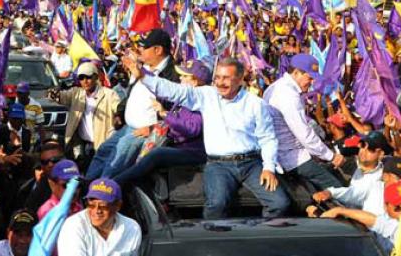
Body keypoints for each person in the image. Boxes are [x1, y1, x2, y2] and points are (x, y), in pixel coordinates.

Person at [125, 56, 290, 219]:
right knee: (216, 205)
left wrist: (268, 168)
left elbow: (268, 138)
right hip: (219, 165)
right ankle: (214, 242)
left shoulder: (256, 104)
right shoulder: (206, 96)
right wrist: (144, 76)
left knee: (279, 203)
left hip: (251, 164)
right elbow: (174, 91)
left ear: (240, 79)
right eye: (217, 77)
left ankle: (260, 238)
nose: (220, 82)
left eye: (226, 78)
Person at [88, 29, 178, 179]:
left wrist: (154, 128)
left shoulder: (173, 75)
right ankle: (85, 186)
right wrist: (120, 113)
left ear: (158, 50)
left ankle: (102, 193)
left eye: (145, 47)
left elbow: (175, 111)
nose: (140, 50)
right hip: (127, 127)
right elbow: (132, 94)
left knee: (116, 161)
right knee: (104, 151)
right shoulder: (144, 68)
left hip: (146, 132)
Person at [113, 60, 207, 190]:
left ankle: (115, 184)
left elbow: (191, 129)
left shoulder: (201, 101)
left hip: (192, 151)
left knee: (157, 155)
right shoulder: (185, 99)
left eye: (185, 76)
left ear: (195, 82)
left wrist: (164, 114)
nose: (180, 78)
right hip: (176, 145)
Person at [264, 53, 344, 190]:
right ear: (296, 73)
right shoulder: (288, 95)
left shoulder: (278, 87)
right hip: (292, 157)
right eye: (309, 78)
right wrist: (331, 156)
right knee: (338, 190)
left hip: (289, 154)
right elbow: (303, 134)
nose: (312, 83)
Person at [52, 62, 122, 168]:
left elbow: (118, 107)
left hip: (101, 146)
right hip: (81, 145)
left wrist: (118, 115)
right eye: (81, 77)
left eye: (88, 77)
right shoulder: (76, 93)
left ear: (95, 77)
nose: (85, 81)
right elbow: (61, 97)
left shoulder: (109, 94)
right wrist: (54, 93)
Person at [57, 178, 142, 256]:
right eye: (91, 205)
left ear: (118, 206)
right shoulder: (73, 226)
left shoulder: (132, 228)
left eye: (103, 206)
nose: (96, 211)